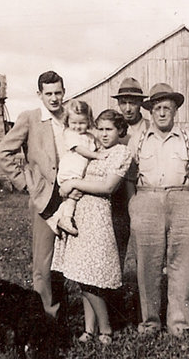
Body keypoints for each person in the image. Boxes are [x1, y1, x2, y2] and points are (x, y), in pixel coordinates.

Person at [127, 83, 189, 337]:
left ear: (175, 111)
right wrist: (133, 206)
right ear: (150, 111)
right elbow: (128, 177)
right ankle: (149, 323)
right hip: (147, 199)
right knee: (147, 265)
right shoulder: (138, 140)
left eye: (167, 108)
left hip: (182, 199)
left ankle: (179, 323)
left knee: (181, 264)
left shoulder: (188, 138)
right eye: (157, 108)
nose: (162, 113)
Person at [51, 109, 132, 345]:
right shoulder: (94, 150)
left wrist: (75, 184)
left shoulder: (121, 153)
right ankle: (89, 329)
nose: (104, 134)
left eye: (109, 129)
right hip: (80, 213)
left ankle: (105, 329)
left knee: (91, 278)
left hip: (98, 214)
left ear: (120, 131)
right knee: (80, 274)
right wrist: (69, 186)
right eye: (101, 129)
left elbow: (108, 186)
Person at [0, 70, 68, 318]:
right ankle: (45, 315)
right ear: (40, 94)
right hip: (44, 198)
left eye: (58, 92)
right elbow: (3, 152)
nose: (54, 98)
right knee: (43, 261)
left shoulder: (71, 118)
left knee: (70, 256)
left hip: (73, 195)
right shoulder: (30, 118)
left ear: (64, 92)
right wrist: (25, 184)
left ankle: (65, 308)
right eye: (48, 94)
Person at [46, 99, 107, 236]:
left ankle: (56, 218)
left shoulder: (90, 136)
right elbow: (79, 149)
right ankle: (66, 219)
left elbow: (97, 147)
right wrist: (95, 156)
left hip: (80, 172)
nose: (77, 127)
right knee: (73, 197)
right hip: (70, 171)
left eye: (82, 123)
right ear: (68, 121)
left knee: (72, 197)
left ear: (89, 121)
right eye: (74, 123)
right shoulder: (70, 134)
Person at [111, 77, 149, 270]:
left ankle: (140, 296)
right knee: (115, 251)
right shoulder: (112, 129)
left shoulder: (150, 128)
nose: (127, 108)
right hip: (116, 199)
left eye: (132, 103)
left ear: (141, 103)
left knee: (143, 254)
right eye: (123, 103)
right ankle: (117, 295)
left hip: (142, 196)